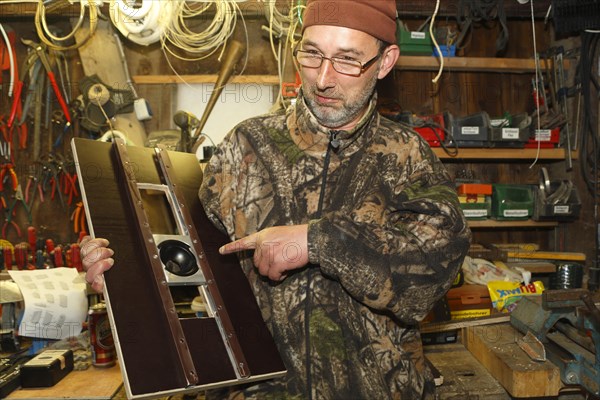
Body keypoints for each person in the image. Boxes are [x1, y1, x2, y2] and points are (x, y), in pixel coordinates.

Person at [81, 0, 471, 398]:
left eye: (347, 60)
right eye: (312, 54)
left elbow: (436, 267)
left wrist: (319, 241)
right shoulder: (243, 146)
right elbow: (199, 265)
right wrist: (124, 276)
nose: (323, 79)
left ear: (385, 62)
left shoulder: (409, 157)